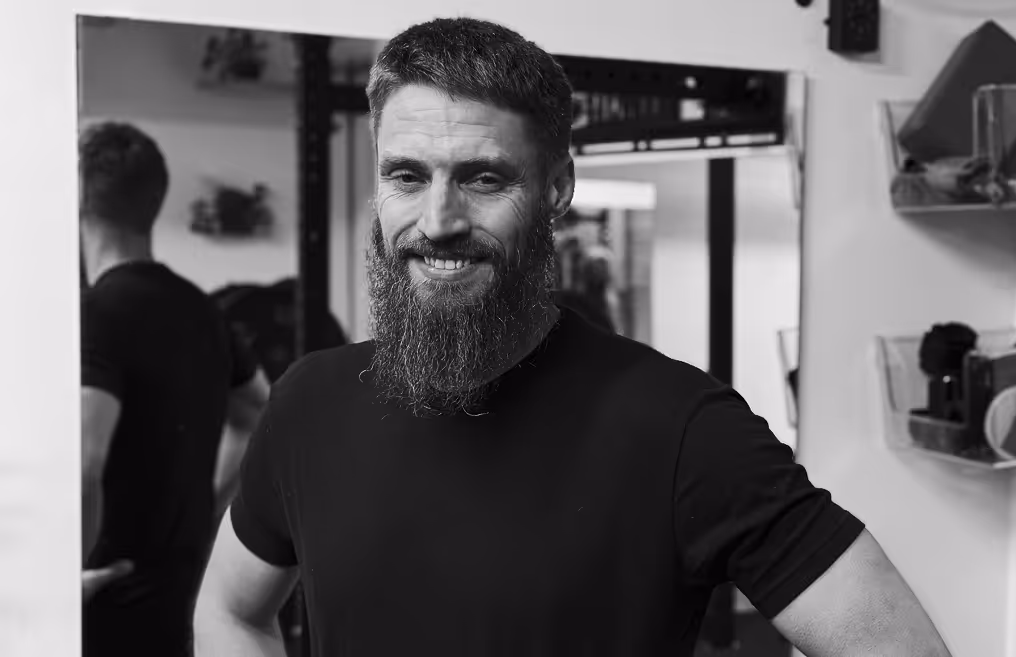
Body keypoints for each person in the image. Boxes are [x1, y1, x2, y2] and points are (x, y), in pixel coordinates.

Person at [194, 17, 952, 657]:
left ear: (557, 189)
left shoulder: (681, 427)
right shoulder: (308, 402)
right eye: (406, 176)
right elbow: (229, 609)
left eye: (483, 179)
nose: (437, 220)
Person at [79, 121, 271, 656]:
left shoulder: (96, 314)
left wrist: (64, 579)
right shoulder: (203, 308)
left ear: (77, 199)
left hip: (103, 611)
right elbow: (258, 406)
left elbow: (84, 462)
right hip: (174, 603)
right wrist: (205, 504)